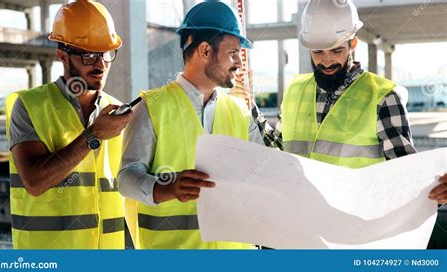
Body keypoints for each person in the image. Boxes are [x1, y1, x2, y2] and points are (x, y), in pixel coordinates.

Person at [250, 0, 447, 237]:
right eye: (317, 52)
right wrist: (249, 107)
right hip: (299, 234)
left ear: (352, 43)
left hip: (355, 238)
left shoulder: (383, 97)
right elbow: (278, 153)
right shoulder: (294, 91)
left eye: (336, 50)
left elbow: (406, 177)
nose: (326, 61)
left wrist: (436, 191)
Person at [118, 1, 264, 249]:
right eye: (233, 53)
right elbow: (126, 179)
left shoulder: (240, 113)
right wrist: (168, 188)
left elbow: (263, 177)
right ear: (205, 51)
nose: (239, 62)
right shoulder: (151, 107)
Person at [5, 0, 133, 249]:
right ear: (62, 55)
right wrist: (93, 135)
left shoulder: (117, 112)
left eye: (106, 53)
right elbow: (35, 182)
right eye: (89, 55)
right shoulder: (30, 106)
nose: (100, 64)